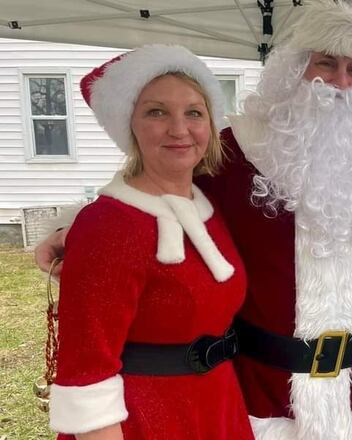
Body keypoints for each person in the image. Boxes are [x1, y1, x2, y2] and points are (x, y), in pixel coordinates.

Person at [36, 3, 352, 439]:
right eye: (324, 63)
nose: (340, 82)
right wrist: (74, 230)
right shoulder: (236, 150)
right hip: (259, 404)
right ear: (294, 70)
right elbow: (154, 190)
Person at [48, 45, 254, 439]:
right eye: (156, 111)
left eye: (194, 112)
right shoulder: (108, 224)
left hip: (216, 405)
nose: (179, 129)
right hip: (144, 418)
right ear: (131, 125)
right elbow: (86, 368)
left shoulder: (206, 206)